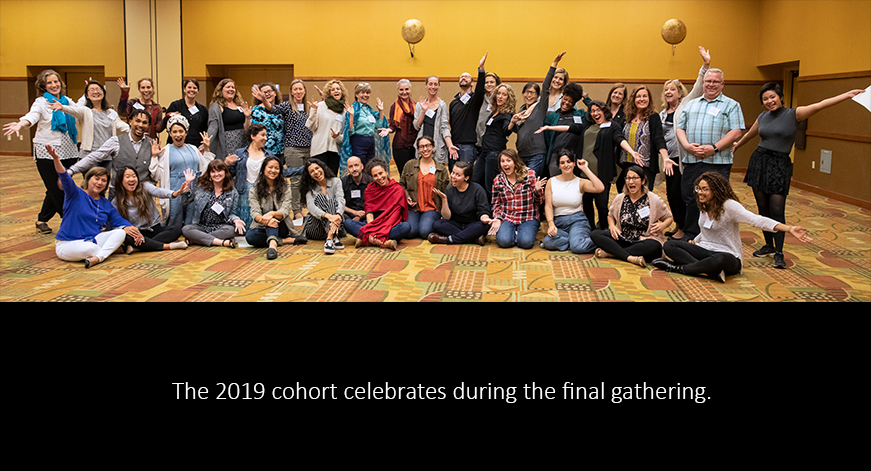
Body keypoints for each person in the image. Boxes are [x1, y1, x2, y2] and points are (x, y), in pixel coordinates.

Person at [732, 84, 865, 268]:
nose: (769, 101)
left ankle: (779, 253)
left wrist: (846, 94)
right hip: (760, 163)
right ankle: (769, 245)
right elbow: (750, 134)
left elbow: (820, 105)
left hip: (780, 165)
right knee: (763, 209)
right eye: (765, 99)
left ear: (780, 97)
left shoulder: (794, 114)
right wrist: (736, 146)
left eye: (772, 97)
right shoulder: (762, 116)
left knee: (777, 210)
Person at [653, 171, 812, 281]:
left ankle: (679, 268)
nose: (700, 192)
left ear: (716, 190)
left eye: (705, 189)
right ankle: (710, 272)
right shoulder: (703, 205)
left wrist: (789, 228)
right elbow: (706, 229)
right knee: (670, 245)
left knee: (720, 258)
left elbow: (757, 220)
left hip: (728, 255)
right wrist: (695, 241)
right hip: (705, 249)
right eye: (698, 188)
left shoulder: (729, 206)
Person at [536, 101, 640, 231]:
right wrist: (549, 128)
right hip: (583, 172)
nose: (595, 113)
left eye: (598, 110)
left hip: (601, 172)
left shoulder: (613, 126)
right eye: (592, 111)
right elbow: (570, 128)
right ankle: (590, 229)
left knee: (601, 205)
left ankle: (603, 230)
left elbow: (620, 139)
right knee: (586, 203)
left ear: (604, 111)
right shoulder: (588, 125)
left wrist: (631, 151)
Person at [4, 70, 80, 235]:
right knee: (56, 188)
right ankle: (70, 220)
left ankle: (42, 220)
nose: (54, 85)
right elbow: (32, 116)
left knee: (57, 187)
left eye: (56, 81)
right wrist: (20, 124)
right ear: (43, 86)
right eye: (49, 83)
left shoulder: (67, 101)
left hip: (69, 151)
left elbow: (80, 111)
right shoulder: (41, 102)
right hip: (47, 152)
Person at [676, 67, 745, 240]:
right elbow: (680, 128)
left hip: (717, 162)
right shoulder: (691, 104)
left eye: (715, 81)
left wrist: (714, 148)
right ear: (703, 83)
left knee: (715, 200)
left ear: (722, 84)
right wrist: (687, 146)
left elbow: (736, 131)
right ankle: (691, 235)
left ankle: (711, 237)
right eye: (708, 81)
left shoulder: (731, 105)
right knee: (691, 197)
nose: (711, 84)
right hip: (692, 160)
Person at [45, 145, 134, 269]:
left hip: (93, 239)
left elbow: (118, 220)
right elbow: (64, 176)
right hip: (68, 244)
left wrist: (131, 228)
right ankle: (104, 253)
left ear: (106, 185)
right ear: (88, 180)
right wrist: (56, 159)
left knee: (120, 233)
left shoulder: (105, 203)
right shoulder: (75, 194)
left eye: (103, 180)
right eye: (96, 179)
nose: (99, 183)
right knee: (91, 249)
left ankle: (98, 257)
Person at [659, 46, 712, 240]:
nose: (668, 92)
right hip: (668, 160)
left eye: (672, 89)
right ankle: (678, 225)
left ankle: (685, 229)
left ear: (680, 92)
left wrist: (705, 65)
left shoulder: (686, 104)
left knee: (682, 193)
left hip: (682, 158)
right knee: (671, 194)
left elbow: (699, 86)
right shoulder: (662, 113)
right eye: (666, 89)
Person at [68, 109, 160, 201]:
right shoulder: (116, 141)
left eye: (144, 123)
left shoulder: (153, 144)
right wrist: (72, 170)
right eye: (137, 121)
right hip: (118, 193)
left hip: (143, 195)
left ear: (148, 125)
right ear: (130, 121)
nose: (140, 125)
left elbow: (156, 173)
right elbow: (94, 157)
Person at [590, 165, 673, 267]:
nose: (631, 181)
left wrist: (663, 225)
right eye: (628, 178)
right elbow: (610, 216)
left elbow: (669, 217)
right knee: (595, 234)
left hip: (643, 240)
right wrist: (612, 226)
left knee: (655, 247)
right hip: (623, 238)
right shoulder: (620, 198)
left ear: (643, 181)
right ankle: (629, 257)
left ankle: (612, 253)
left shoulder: (653, 199)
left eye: (634, 178)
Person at [254, 79, 313, 220]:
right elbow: (272, 109)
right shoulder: (287, 106)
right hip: (293, 148)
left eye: (300, 89)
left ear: (304, 91)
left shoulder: (308, 107)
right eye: (295, 89)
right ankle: (296, 211)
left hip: (309, 148)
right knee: (295, 181)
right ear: (291, 92)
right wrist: (264, 99)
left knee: (306, 180)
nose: (298, 92)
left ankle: (304, 207)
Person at [149, 114, 215, 228]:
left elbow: (206, 168)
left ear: (186, 132)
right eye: (174, 132)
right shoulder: (165, 151)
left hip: (194, 190)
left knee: (192, 222)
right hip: (175, 191)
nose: (178, 134)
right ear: (170, 134)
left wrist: (207, 148)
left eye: (181, 131)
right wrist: (154, 157)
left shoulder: (193, 149)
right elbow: (156, 175)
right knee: (174, 224)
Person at [113, 166, 193, 253]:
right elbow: (115, 222)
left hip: (153, 228)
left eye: (134, 176)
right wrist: (125, 228)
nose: (131, 179)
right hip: (136, 233)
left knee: (176, 230)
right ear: (120, 180)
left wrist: (174, 193)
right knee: (125, 237)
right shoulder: (116, 201)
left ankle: (140, 247)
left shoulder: (145, 186)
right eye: (127, 177)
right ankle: (165, 246)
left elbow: (159, 191)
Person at [511, 52, 566, 177]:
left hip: (536, 154)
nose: (529, 95)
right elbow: (517, 130)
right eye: (527, 92)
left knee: (529, 181)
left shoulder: (540, 107)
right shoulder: (521, 110)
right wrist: (513, 121)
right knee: (522, 183)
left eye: (532, 93)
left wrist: (554, 64)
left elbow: (546, 86)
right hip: (522, 154)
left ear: (538, 96)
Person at [541, 149, 604, 254]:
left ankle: (603, 242)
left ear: (574, 164)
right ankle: (575, 241)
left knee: (578, 247)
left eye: (569, 162)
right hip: (559, 223)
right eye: (562, 163)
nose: (566, 165)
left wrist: (585, 169)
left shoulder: (580, 182)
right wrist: (551, 224)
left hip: (577, 221)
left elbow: (600, 188)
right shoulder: (551, 182)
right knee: (548, 242)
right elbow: (548, 206)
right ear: (559, 166)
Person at [245, 156, 308, 260]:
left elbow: (285, 211)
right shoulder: (254, 190)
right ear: (263, 169)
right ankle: (287, 241)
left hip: (282, 225)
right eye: (270, 167)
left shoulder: (285, 188)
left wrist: (271, 214)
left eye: (277, 168)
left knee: (271, 216)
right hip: (263, 225)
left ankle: (272, 247)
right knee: (250, 237)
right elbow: (255, 212)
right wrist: (265, 220)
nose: (273, 170)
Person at [55, 80, 130, 165]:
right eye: (92, 90)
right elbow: (75, 110)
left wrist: (136, 131)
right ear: (87, 96)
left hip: (107, 156)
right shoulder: (86, 111)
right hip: (89, 156)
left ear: (103, 93)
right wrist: (63, 107)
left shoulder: (111, 112)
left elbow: (121, 125)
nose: (95, 92)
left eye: (98, 89)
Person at [344, 158, 411, 250]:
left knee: (405, 227)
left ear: (386, 172)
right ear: (372, 177)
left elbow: (397, 215)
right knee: (348, 223)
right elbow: (369, 213)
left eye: (381, 173)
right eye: (375, 176)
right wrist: (372, 228)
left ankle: (366, 239)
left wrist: (380, 229)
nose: (379, 178)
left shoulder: (397, 189)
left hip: (390, 224)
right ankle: (384, 242)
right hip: (374, 223)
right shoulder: (370, 190)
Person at [489, 149, 547, 249]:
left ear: (515, 162)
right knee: (504, 242)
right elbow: (495, 203)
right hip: (507, 217)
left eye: (508, 160)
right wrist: (497, 218)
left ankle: (521, 233)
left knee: (525, 243)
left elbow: (538, 202)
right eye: (502, 161)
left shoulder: (529, 175)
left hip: (528, 217)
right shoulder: (498, 180)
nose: (505, 164)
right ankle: (515, 234)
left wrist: (538, 191)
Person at [181, 159, 246, 248]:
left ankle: (197, 239)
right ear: (210, 175)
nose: (216, 174)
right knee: (186, 229)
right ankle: (220, 242)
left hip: (221, 227)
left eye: (219, 171)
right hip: (201, 226)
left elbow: (232, 213)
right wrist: (188, 185)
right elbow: (185, 202)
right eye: (213, 172)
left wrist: (236, 220)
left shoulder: (232, 192)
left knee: (232, 230)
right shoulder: (201, 188)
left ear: (225, 172)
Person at [616, 85, 669, 192]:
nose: (642, 99)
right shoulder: (626, 117)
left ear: (649, 99)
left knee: (642, 196)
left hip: (645, 166)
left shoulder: (653, 117)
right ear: (633, 99)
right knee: (624, 193)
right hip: (626, 165)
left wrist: (665, 158)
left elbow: (659, 139)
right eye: (638, 96)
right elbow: (618, 136)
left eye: (645, 96)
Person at [429, 161, 494, 246]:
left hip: (472, 224)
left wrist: (485, 218)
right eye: (453, 173)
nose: (453, 176)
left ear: (466, 178)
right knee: (437, 224)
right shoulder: (450, 190)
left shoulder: (478, 189)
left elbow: (483, 211)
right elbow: (447, 217)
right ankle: (472, 238)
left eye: (458, 175)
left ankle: (449, 240)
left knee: (484, 226)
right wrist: (444, 199)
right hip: (456, 224)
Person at [399, 136, 450, 240]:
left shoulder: (441, 169)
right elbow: (401, 184)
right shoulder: (409, 165)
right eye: (421, 147)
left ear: (433, 147)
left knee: (424, 232)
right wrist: (407, 196)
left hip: (432, 207)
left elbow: (446, 190)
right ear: (418, 149)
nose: (425, 149)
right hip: (413, 207)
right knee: (410, 232)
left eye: (428, 146)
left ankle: (428, 222)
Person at [474, 82, 516, 201]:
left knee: (490, 186)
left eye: (504, 94)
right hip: (485, 152)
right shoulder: (494, 112)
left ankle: (494, 209)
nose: (500, 96)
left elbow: (506, 130)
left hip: (494, 153)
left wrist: (512, 122)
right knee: (475, 179)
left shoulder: (506, 115)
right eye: (499, 93)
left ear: (508, 98)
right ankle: (482, 206)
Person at [448, 52, 490, 169]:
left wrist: (481, 69)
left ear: (472, 83)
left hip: (468, 146)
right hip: (453, 146)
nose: (463, 78)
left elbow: (480, 89)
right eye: (461, 77)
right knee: (453, 175)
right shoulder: (453, 103)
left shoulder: (474, 100)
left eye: (467, 77)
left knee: (466, 175)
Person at [226, 123, 272, 228]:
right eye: (263, 135)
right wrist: (226, 164)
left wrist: (303, 169)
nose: (266, 138)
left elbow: (281, 172)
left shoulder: (269, 155)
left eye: (266, 135)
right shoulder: (240, 153)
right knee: (243, 221)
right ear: (253, 136)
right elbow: (230, 173)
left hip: (262, 191)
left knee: (259, 222)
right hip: (243, 191)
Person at [340, 82, 390, 173]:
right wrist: (351, 116)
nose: (365, 95)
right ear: (356, 94)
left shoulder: (369, 110)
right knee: (360, 168)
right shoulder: (353, 109)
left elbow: (379, 126)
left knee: (370, 168)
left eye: (367, 93)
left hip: (371, 142)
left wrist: (380, 111)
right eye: (362, 92)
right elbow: (350, 131)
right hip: (358, 142)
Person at [300, 158, 346, 254]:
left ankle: (330, 238)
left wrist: (338, 215)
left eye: (317, 168)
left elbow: (341, 200)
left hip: (337, 227)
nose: (316, 172)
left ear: (323, 167)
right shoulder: (310, 188)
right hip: (315, 229)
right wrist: (329, 216)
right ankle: (332, 238)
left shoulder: (336, 181)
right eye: (312, 171)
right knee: (321, 197)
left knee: (333, 201)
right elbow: (311, 208)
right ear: (309, 176)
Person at [541, 81, 586, 177]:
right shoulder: (552, 116)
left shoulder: (580, 114)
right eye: (565, 99)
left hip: (573, 156)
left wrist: (586, 98)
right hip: (555, 156)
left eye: (571, 101)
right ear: (561, 98)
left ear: (574, 103)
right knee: (555, 182)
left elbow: (596, 112)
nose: (566, 103)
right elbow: (547, 137)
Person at [414, 75, 458, 166]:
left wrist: (450, 145)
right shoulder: (419, 105)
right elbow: (416, 126)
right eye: (430, 84)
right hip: (423, 147)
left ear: (439, 86)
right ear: (426, 85)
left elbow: (444, 127)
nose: (433, 87)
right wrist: (423, 111)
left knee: (437, 172)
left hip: (437, 147)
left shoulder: (442, 106)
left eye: (435, 84)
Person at [306, 79, 347, 175]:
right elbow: (310, 126)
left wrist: (337, 137)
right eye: (333, 89)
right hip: (319, 150)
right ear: (329, 93)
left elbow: (344, 135)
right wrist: (313, 110)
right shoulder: (320, 106)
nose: (336, 91)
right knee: (318, 178)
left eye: (338, 89)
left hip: (335, 151)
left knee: (332, 179)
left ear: (342, 92)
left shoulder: (344, 111)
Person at [207, 78, 251, 161]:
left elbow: (248, 129)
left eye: (233, 87)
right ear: (221, 90)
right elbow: (213, 127)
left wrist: (247, 117)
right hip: (227, 145)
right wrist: (206, 143)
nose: (231, 89)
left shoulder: (240, 105)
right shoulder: (216, 107)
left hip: (243, 143)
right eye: (228, 87)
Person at [159, 78, 209, 148]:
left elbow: (205, 129)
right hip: (176, 145)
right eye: (189, 87)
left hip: (196, 147)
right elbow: (167, 125)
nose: (192, 90)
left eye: (194, 88)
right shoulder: (175, 105)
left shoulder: (202, 109)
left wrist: (203, 145)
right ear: (184, 89)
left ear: (197, 91)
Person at [249, 82, 286, 162]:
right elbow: (253, 130)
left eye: (269, 91)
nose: (267, 94)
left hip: (280, 149)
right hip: (263, 149)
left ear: (275, 93)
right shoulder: (256, 110)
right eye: (264, 92)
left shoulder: (281, 109)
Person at [386, 79, 417, 175]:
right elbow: (393, 125)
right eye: (401, 90)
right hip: (400, 145)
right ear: (398, 91)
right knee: (404, 174)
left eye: (406, 89)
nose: (404, 92)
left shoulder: (416, 106)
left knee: (415, 174)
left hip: (415, 145)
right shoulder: (394, 106)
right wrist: (388, 130)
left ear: (410, 90)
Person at [341, 156, 372, 223]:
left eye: (356, 165)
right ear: (348, 170)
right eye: (351, 167)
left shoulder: (370, 181)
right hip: (350, 215)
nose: (354, 169)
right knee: (343, 219)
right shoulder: (343, 182)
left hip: (368, 213)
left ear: (362, 166)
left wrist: (361, 216)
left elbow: (376, 202)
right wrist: (355, 212)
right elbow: (339, 203)